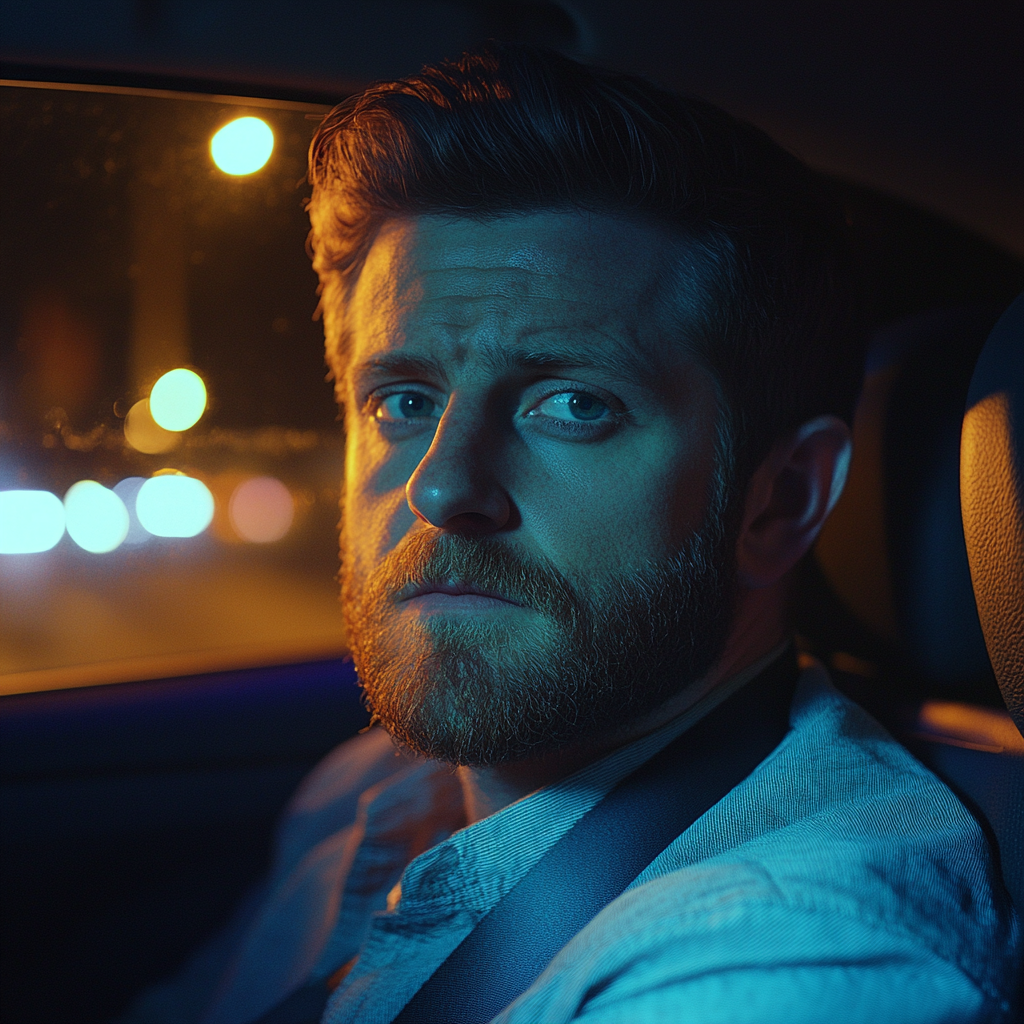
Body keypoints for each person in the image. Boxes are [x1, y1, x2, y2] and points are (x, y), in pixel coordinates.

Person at [125, 42, 1019, 1024]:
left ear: (782, 499)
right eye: (404, 400)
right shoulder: (368, 786)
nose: (441, 487)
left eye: (573, 404)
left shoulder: (780, 961)